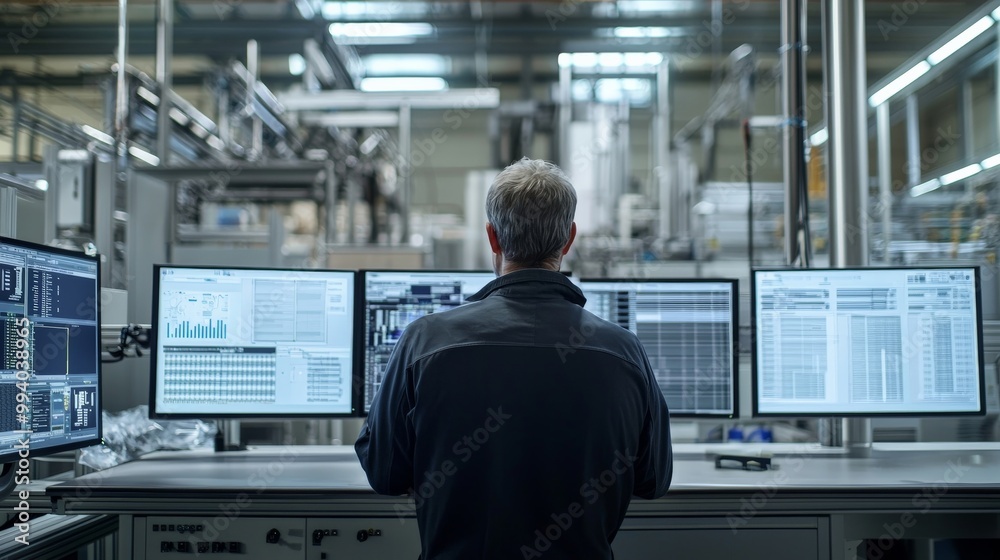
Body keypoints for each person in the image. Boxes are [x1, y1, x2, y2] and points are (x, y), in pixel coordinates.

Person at [355, 157, 672, 560]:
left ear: (492, 237)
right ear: (569, 239)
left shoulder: (425, 341)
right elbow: (654, 479)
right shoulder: (624, 352)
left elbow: (384, 473)